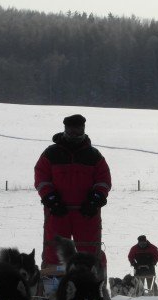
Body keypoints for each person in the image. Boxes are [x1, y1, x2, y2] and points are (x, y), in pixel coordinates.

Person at [34, 114, 111, 274]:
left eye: (78, 131)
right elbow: (41, 177)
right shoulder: (51, 153)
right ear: (65, 130)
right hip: (57, 210)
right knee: (55, 249)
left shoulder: (94, 155)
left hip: (86, 211)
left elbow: (103, 180)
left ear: (83, 130)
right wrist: (51, 199)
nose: (75, 134)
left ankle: (92, 284)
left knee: (89, 249)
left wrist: (95, 199)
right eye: (71, 131)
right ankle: (52, 287)